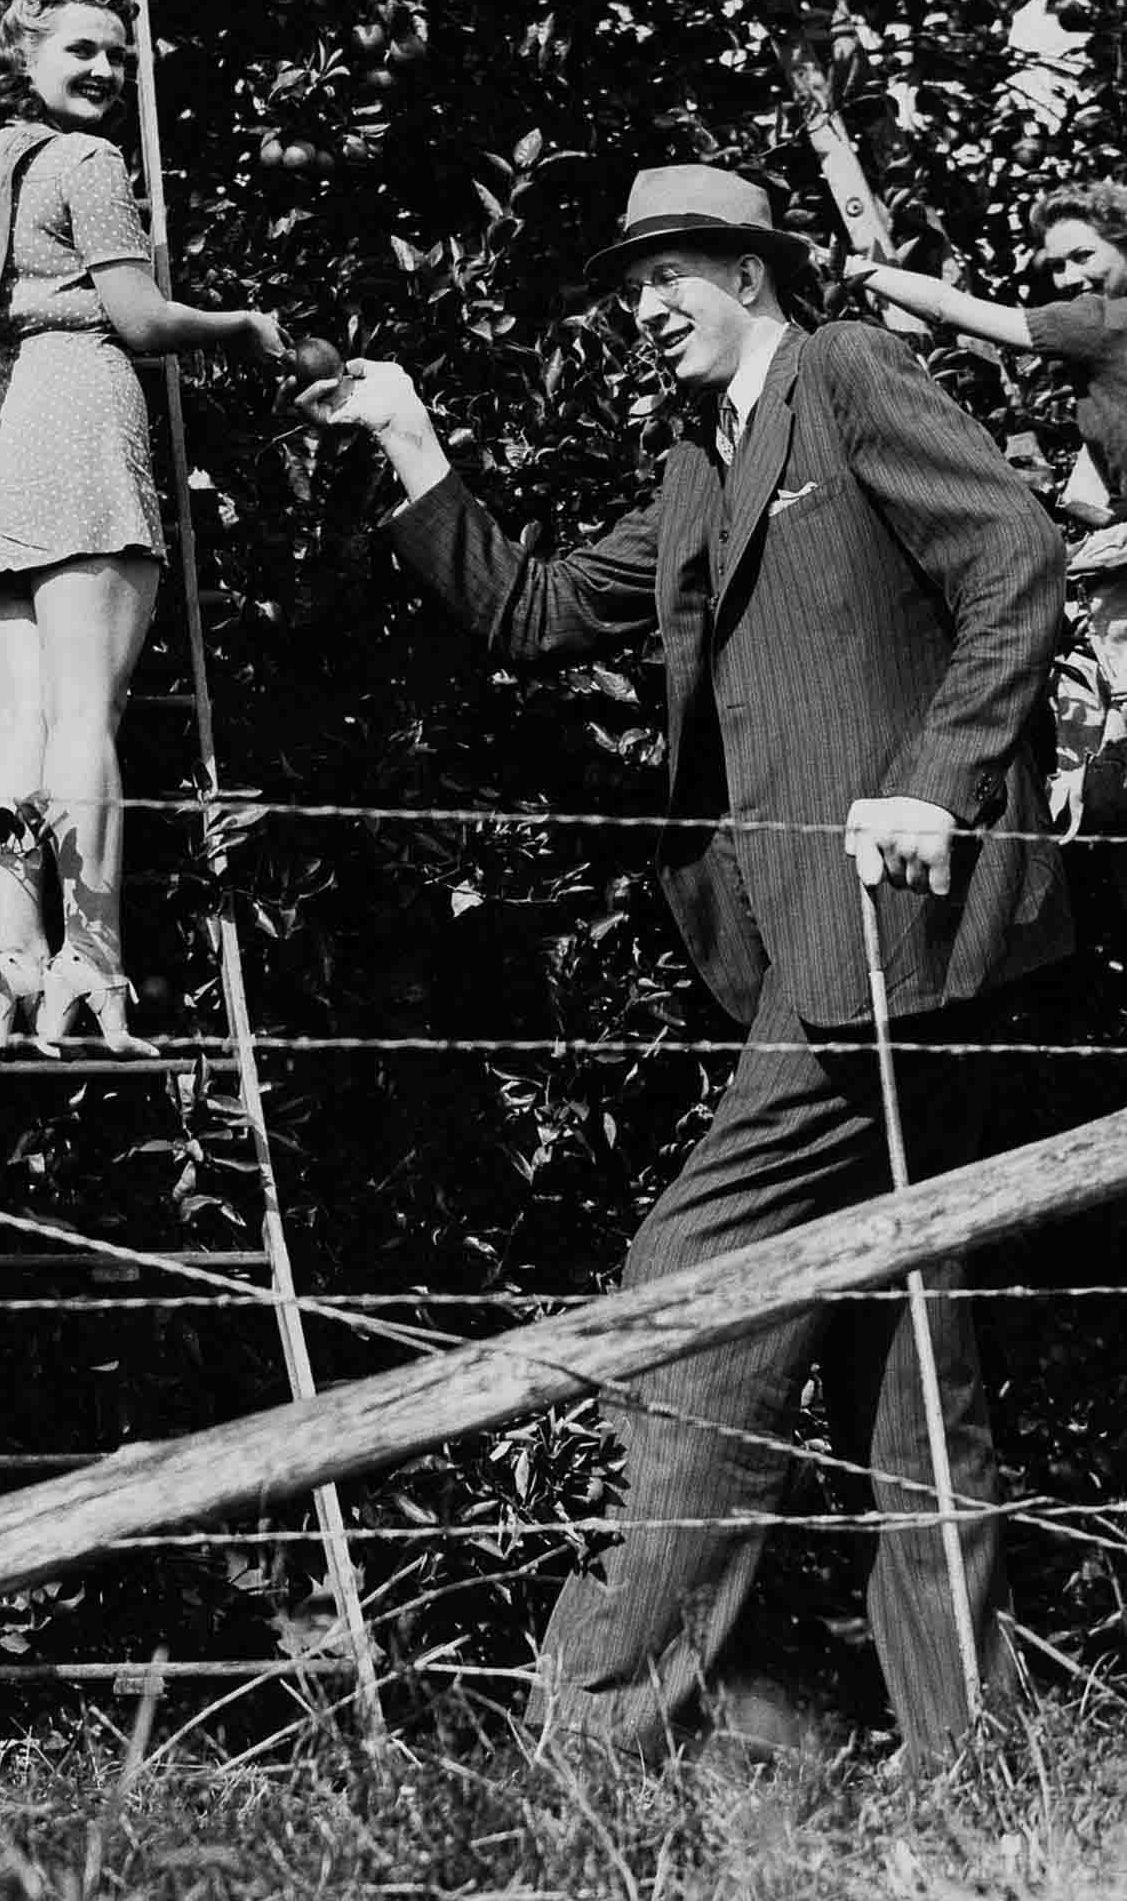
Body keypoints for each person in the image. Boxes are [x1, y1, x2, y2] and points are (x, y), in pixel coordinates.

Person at [299, 165, 1072, 1767]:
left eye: (671, 277)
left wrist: (941, 778)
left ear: (753, 274)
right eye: (633, 284)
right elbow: (528, 611)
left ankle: (605, 1736)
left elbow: (1017, 563)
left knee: (686, 1285)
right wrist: (408, 436)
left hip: (897, 947)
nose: (645, 310)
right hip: (800, 962)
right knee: (901, 1345)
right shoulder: (695, 471)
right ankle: (972, 1752)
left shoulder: (847, 370)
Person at [0, 0, 285, 1056]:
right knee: (84, 714)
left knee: (17, 715)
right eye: (82, 49)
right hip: (77, 417)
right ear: (26, 60)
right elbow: (142, 320)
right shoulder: (90, 162)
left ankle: (12, 948)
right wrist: (242, 325)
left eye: (117, 52)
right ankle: (89, 952)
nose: (107, 67)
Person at [849, 182, 1127, 833]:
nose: (1069, 276)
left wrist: (859, 271)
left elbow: (950, 307)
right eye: (1057, 265)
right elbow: (1089, 492)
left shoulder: (1099, 325)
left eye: (1085, 255)